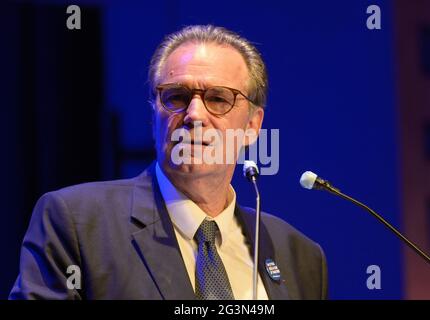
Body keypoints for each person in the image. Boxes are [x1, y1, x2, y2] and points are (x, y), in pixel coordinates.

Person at [9, 25, 327, 300]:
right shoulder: (77, 223)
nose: (194, 115)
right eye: (176, 97)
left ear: (253, 126)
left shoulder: (299, 255)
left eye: (218, 99)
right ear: (154, 114)